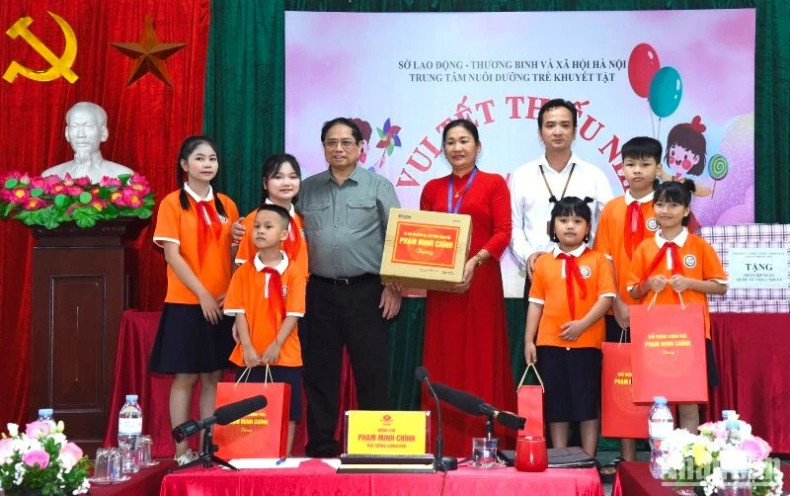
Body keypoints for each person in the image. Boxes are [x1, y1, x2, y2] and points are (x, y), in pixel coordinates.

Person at [299, 117, 402, 458]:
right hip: (319, 293)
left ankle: (373, 447)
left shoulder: (378, 186)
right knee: (320, 373)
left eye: (346, 142)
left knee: (371, 372)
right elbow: (284, 232)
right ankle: (322, 447)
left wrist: (393, 287)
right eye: (331, 142)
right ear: (324, 147)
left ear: (361, 148)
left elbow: (397, 239)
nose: (338, 148)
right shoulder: (307, 188)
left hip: (368, 291)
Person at [419, 118, 515, 456]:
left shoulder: (493, 184)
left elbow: (504, 230)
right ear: (443, 149)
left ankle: (484, 443)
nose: (457, 148)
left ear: (477, 146)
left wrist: (475, 261)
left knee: (481, 357)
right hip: (443, 287)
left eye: (464, 141)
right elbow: (425, 237)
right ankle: (442, 443)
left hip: (481, 281)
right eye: (450, 142)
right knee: (443, 357)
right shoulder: (432, 187)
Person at [148, 136, 239, 464]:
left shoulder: (227, 205)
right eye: (200, 158)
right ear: (185, 166)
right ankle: (182, 450)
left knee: (213, 375)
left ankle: (208, 448)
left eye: (212, 158)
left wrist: (231, 290)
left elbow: (232, 256)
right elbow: (172, 255)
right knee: (184, 376)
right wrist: (201, 294)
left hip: (220, 302)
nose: (207, 164)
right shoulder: (173, 203)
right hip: (187, 301)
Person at [627, 181, 727, 433]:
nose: (666, 210)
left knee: (688, 402)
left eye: (673, 205)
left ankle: (688, 459)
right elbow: (632, 291)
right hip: (655, 335)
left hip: (690, 335)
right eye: (660, 204)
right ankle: (661, 459)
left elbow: (720, 286)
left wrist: (691, 283)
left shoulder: (699, 246)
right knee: (658, 402)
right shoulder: (645, 248)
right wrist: (648, 284)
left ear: (685, 210)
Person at [524, 196, 615, 458]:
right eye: (563, 220)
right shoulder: (543, 263)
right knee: (556, 403)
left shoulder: (599, 261)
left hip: (587, 343)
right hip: (550, 344)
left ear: (588, 228)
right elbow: (535, 304)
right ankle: (560, 457)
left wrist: (582, 325)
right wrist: (529, 340)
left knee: (587, 403)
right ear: (552, 226)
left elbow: (606, 297)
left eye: (577, 221)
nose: (570, 226)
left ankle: (588, 459)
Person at [593, 136, 662, 477]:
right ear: (622, 167)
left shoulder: (665, 206)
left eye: (644, 164)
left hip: (657, 311)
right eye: (630, 164)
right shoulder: (612, 209)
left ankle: (661, 455)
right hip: (617, 309)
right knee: (624, 382)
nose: (636, 170)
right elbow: (604, 258)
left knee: (659, 384)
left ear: (657, 168)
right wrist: (617, 301)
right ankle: (627, 459)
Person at [224, 204, 307, 457]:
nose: (260, 231)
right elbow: (238, 311)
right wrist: (247, 346)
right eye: (257, 226)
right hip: (250, 357)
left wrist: (276, 345)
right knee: (249, 412)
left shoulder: (294, 272)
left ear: (283, 234)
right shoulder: (243, 273)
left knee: (287, 412)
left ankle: (283, 458)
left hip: (285, 354)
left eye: (268, 227)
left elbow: (294, 314)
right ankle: (248, 457)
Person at [509, 98, 613, 289]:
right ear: (540, 132)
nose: (557, 131)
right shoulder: (521, 175)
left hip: (587, 273)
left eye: (565, 125)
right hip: (539, 273)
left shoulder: (594, 175)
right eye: (550, 125)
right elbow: (513, 226)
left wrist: (596, 259)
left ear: (575, 132)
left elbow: (610, 226)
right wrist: (529, 255)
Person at [233, 153, 306, 274]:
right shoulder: (253, 221)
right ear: (265, 183)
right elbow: (244, 272)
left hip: (301, 291)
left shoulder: (302, 219)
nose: (286, 183)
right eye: (278, 177)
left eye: (293, 177)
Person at [42, 101, 134, 182]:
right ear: (67, 133)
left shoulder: (123, 176)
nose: (81, 135)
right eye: (74, 126)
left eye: (88, 126)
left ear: (103, 133)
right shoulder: (50, 176)